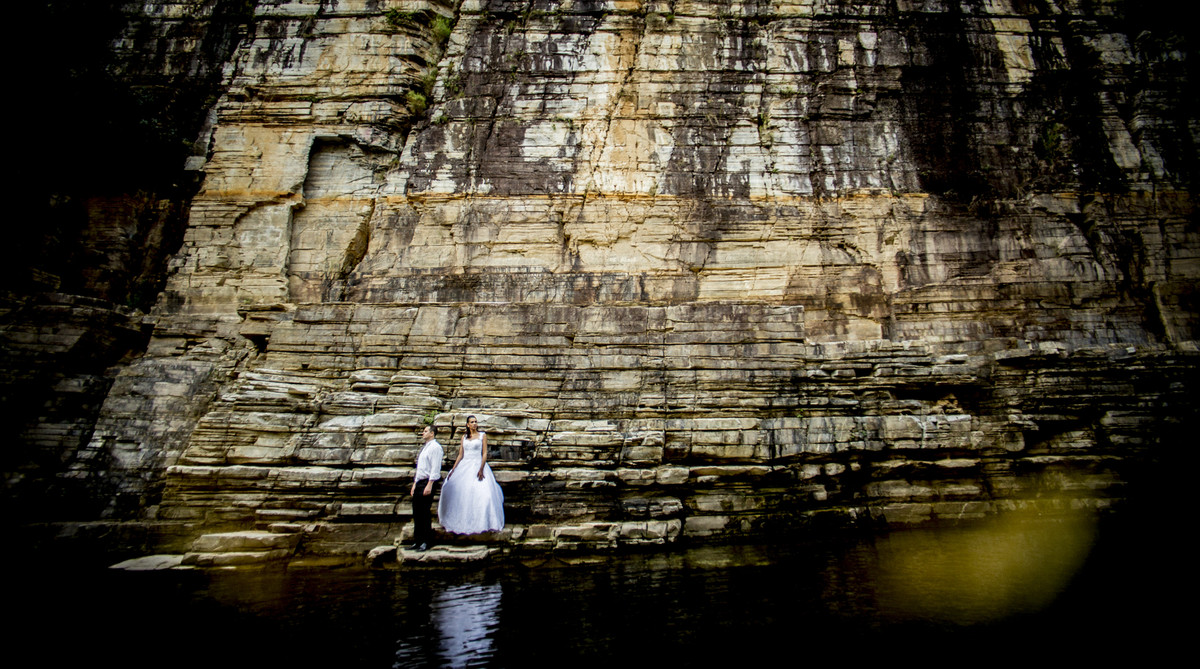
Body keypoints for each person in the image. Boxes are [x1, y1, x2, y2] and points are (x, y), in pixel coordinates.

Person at [438, 415, 504, 534]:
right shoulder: (464, 437)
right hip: (465, 465)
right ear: (467, 424)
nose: (474, 424)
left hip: (478, 464)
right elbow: (460, 454)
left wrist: (481, 468)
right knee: (460, 492)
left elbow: (484, 453)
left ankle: (484, 521)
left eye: (475, 422)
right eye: (472, 422)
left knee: (484, 494)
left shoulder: (482, 436)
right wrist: (453, 469)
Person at [409, 424, 443, 551]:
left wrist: (430, 484)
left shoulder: (435, 448)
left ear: (432, 433)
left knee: (424, 512)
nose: (423, 433)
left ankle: (426, 541)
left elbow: (435, 468)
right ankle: (417, 540)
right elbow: (420, 468)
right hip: (420, 482)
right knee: (417, 512)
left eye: (425, 431)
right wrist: (414, 484)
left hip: (428, 483)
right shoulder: (425, 448)